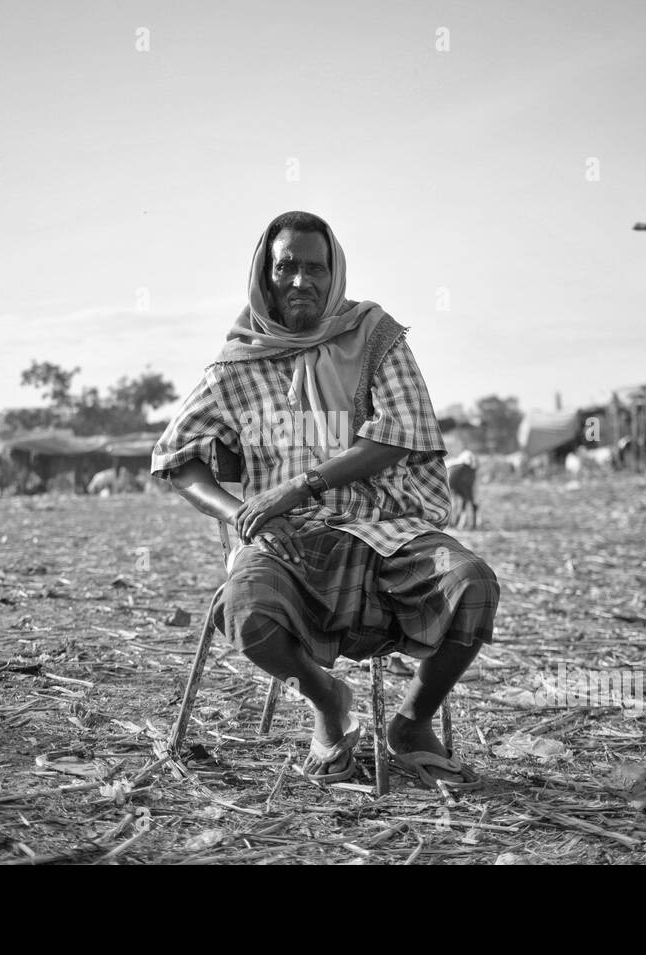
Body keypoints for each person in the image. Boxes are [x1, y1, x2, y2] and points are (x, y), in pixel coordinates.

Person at [151, 211, 500, 787]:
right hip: (287, 542)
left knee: (472, 583)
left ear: (334, 272)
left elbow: (403, 430)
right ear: (266, 274)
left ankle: (411, 723)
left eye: (315, 268)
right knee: (243, 613)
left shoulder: (372, 335)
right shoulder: (235, 363)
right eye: (286, 267)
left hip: (386, 528)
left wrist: (299, 485)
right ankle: (328, 702)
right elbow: (172, 456)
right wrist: (237, 511)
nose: (300, 281)